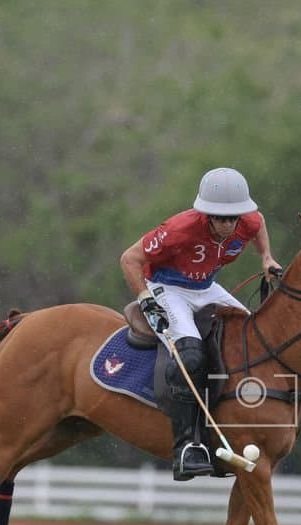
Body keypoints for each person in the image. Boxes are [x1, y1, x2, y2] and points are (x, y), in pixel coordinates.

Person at [120, 167, 283, 480]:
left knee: (256, 339)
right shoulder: (180, 228)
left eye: (232, 217)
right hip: (167, 287)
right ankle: (186, 448)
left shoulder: (248, 220)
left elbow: (259, 222)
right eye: (219, 218)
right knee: (191, 356)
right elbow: (130, 258)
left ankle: (241, 421)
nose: (226, 224)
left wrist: (266, 258)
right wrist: (145, 298)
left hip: (206, 287)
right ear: (206, 214)